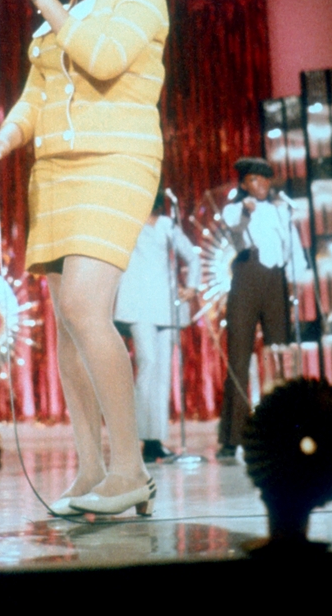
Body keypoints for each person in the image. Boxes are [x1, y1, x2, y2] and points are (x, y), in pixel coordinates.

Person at [0, 0, 169, 515]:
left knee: (89, 306)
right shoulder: (55, 19)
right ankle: (91, 467)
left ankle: (130, 468)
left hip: (115, 160)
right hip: (54, 173)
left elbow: (106, 59)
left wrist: (49, 3)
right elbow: (35, 98)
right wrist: (3, 138)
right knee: (67, 324)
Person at [217, 157, 307, 459]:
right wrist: (245, 213)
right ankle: (233, 437)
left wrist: (294, 280)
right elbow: (237, 239)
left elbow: (293, 249)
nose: (262, 185)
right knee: (239, 358)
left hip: (275, 283)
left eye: (266, 180)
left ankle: (282, 430)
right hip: (246, 280)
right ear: (244, 184)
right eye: (255, 180)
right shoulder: (235, 209)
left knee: (278, 353)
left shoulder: (281, 211)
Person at [115, 190, 201, 462]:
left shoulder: (168, 226)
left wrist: (192, 287)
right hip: (139, 306)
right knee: (148, 363)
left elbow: (193, 257)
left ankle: (155, 441)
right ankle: (137, 439)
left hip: (166, 305)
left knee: (163, 372)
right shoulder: (128, 223)